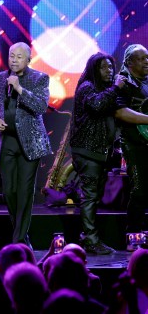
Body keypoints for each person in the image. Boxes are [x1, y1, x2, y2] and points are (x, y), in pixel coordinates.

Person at [0, 42, 51, 246]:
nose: (14, 60)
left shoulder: (39, 78)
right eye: (12, 56)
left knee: (24, 191)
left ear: (28, 59)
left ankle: (19, 240)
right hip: (7, 141)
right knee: (10, 191)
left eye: (19, 56)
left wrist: (20, 89)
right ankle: (20, 234)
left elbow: (41, 106)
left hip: (30, 143)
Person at [69, 53, 123, 255]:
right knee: (90, 197)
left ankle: (88, 238)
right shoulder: (87, 88)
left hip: (99, 153)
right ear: (94, 69)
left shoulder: (106, 90)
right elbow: (97, 105)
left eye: (111, 67)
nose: (109, 71)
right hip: (87, 152)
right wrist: (116, 88)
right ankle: (91, 240)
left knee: (94, 196)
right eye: (104, 67)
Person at [115, 44, 148, 242]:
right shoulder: (122, 83)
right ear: (129, 62)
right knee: (140, 189)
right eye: (142, 58)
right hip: (133, 144)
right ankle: (133, 234)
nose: (146, 61)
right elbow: (120, 112)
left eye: (147, 58)